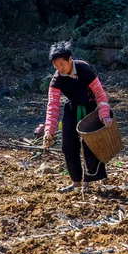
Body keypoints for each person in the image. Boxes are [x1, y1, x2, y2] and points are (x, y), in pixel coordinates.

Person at [42, 41, 112, 192]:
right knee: (67, 146)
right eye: (56, 65)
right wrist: (49, 130)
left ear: (70, 59)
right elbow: (53, 105)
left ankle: (88, 182)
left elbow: (100, 94)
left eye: (62, 64)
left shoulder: (84, 69)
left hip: (91, 109)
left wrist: (104, 114)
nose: (60, 68)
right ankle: (76, 183)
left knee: (90, 146)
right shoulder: (57, 79)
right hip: (72, 109)